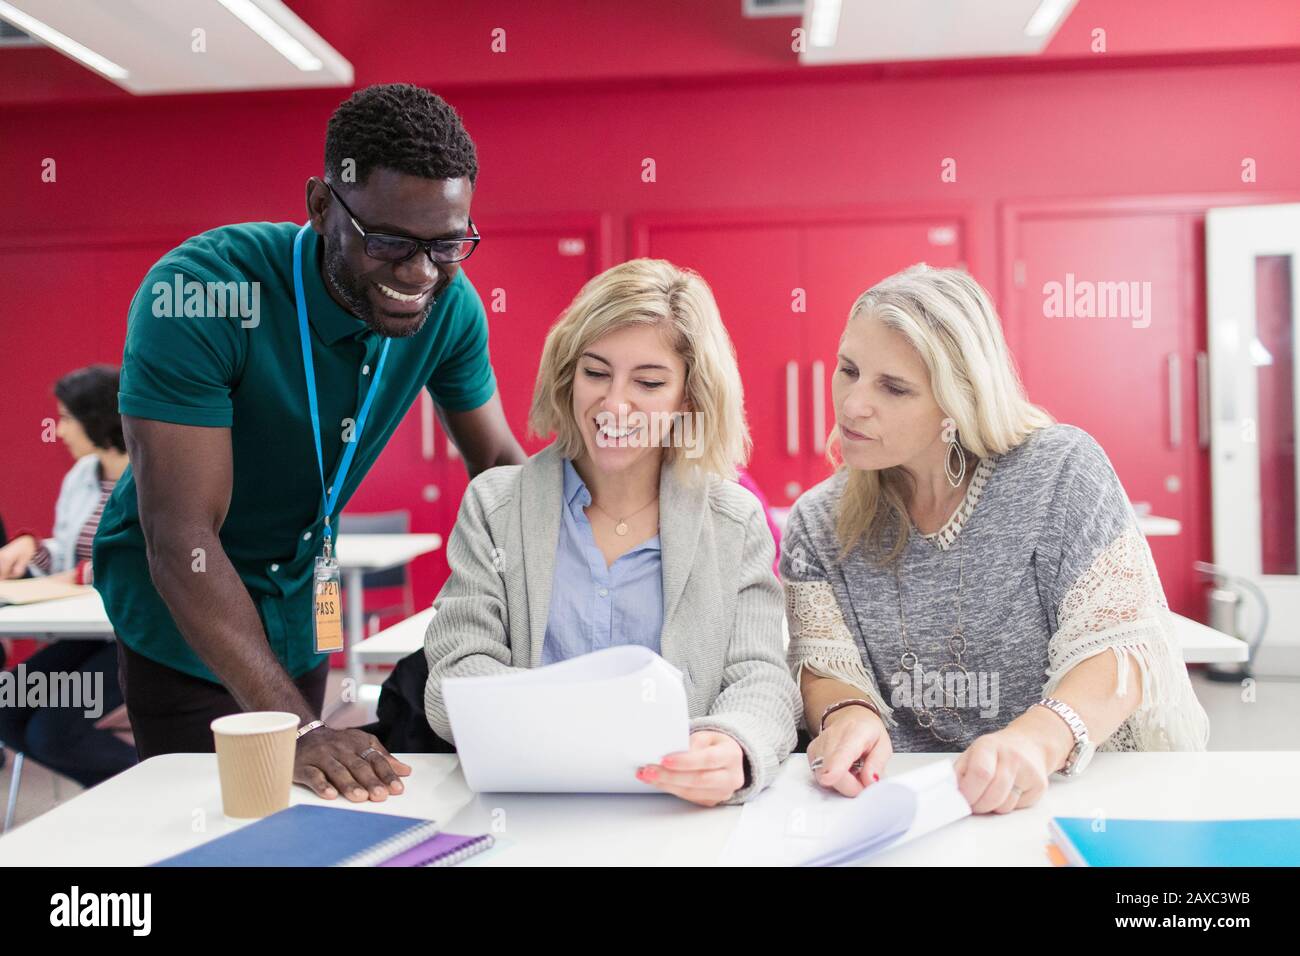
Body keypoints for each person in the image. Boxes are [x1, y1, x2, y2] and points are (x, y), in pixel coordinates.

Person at [92, 83, 525, 804]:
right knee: (222, 824)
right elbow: (181, 537)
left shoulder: (448, 306)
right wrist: (295, 728)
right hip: (188, 619)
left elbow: (502, 471)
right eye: (388, 242)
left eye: (447, 244)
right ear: (323, 207)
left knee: (303, 817)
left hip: (303, 599)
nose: (419, 274)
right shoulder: (202, 291)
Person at [781, 264, 1209, 814]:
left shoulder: (1060, 471)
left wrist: (1034, 740)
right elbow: (824, 667)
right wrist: (849, 716)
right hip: (903, 806)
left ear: (956, 404)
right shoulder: (818, 522)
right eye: (849, 369)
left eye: (894, 387)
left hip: (1072, 796)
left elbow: (1119, 651)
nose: (852, 404)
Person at [423, 259, 800, 805]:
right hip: (529, 806)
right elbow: (458, 665)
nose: (615, 404)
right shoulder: (495, 505)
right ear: (568, 376)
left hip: (678, 814)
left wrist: (732, 743)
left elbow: (761, 677)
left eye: (648, 382)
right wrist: (568, 736)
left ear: (688, 399)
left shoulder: (733, 520)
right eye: (596, 373)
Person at [0, 366, 136, 787]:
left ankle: (140, 791)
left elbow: (144, 560)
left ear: (95, 419)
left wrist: (78, 574)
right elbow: (67, 555)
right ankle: (115, 796)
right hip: (89, 632)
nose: (58, 430)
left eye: (66, 418)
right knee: (7, 708)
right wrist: (30, 548)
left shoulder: (153, 474)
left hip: (136, 635)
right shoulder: (82, 475)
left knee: (53, 733)